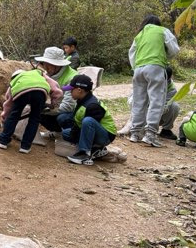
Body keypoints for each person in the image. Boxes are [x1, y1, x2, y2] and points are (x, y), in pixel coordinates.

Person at [128, 15, 179, 147]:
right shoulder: (162, 31)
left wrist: (135, 67)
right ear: (158, 23)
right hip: (155, 67)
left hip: (138, 69)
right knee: (156, 101)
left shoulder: (139, 35)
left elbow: (132, 54)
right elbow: (174, 49)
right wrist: (165, 57)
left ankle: (135, 133)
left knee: (139, 101)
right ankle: (150, 134)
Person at [0, 66, 63, 153]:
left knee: (14, 115)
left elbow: (8, 105)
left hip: (21, 91)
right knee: (34, 119)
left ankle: (3, 141)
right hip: (40, 92)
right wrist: (53, 102)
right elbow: (55, 88)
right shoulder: (38, 73)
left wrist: (5, 117)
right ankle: (25, 147)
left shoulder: (14, 82)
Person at [63, 74, 117, 166]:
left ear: (79, 90)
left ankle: (85, 154)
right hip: (95, 131)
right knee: (65, 133)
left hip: (106, 135)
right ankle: (97, 149)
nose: (70, 92)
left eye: (71, 90)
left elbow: (90, 126)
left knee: (88, 121)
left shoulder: (92, 105)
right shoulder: (82, 100)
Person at [33, 46, 78, 134]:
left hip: (73, 112)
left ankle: (71, 134)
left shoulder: (72, 78)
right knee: (38, 112)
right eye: (44, 64)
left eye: (48, 65)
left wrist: (46, 110)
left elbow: (69, 106)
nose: (45, 68)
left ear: (57, 65)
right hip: (58, 106)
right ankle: (57, 132)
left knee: (63, 118)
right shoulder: (50, 74)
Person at [158, 66, 180, 140]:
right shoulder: (147, 80)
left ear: (170, 77)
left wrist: (153, 122)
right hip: (144, 114)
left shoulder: (172, 89)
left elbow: (164, 106)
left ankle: (166, 130)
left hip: (158, 114)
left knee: (174, 106)